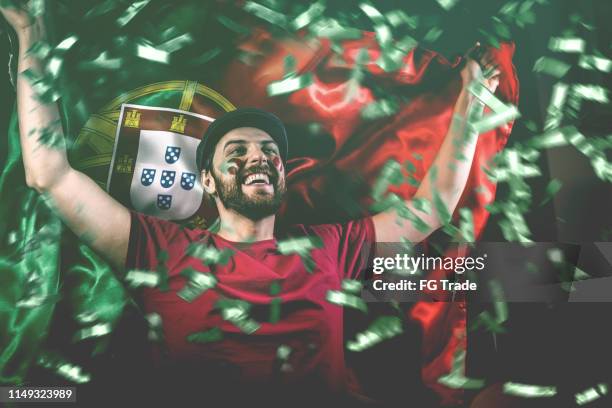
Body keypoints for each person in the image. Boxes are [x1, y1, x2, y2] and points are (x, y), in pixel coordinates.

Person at [2, 1, 501, 404]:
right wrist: (32, 41)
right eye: (236, 152)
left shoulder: (327, 248)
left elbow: (432, 209)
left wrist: (471, 103)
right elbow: (48, 174)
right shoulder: (162, 251)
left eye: (268, 153)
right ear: (210, 183)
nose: (258, 158)